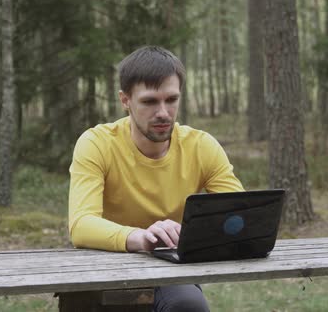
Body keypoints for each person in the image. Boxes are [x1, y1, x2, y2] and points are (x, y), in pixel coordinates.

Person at [68, 46, 244, 311]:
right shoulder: (97, 143)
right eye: (150, 101)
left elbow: (241, 216)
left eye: (171, 100)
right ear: (125, 100)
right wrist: (140, 238)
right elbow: (81, 225)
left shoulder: (201, 146)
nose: (163, 112)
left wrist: (190, 235)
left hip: (168, 265)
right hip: (105, 260)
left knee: (188, 306)